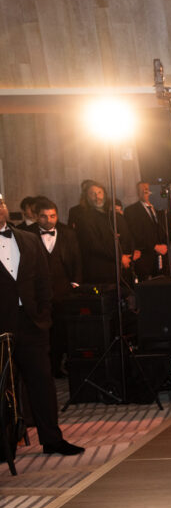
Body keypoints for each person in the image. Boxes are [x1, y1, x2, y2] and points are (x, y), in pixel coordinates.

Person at [0, 193, 84, 455]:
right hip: (0, 326)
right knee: (3, 386)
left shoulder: (27, 238)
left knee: (42, 382)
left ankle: (52, 439)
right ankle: (4, 445)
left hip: (32, 322)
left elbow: (43, 280)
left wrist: (44, 314)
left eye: (1, 203)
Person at [28, 198, 81, 377]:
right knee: (42, 332)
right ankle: (44, 368)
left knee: (62, 331)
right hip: (38, 293)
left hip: (63, 291)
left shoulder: (68, 233)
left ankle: (59, 367)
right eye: (43, 216)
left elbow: (77, 261)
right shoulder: (26, 234)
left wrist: (75, 284)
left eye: (52, 216)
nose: (49, 220)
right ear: (36, 217)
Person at [75, 183, 134, 285]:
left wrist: (129, 255)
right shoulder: (83, 219)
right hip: (101, 273)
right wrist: (120, 257)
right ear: (86, 197)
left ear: (105, 195)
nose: (97, 197)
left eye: (99, 192)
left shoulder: (115, 217)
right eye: (92, 194)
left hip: (123, 270)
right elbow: (94, 245)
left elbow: (128, 237)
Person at [124, 181, 169, 280]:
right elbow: (135, 233)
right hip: (145, 259)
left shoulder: (160, 209)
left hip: (162, 257)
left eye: (148, 189)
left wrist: (165, 245)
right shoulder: (131, 210)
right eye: (142, 189)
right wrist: (154, 246)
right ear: (138, 193)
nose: (145, 190)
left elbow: (166, 229)